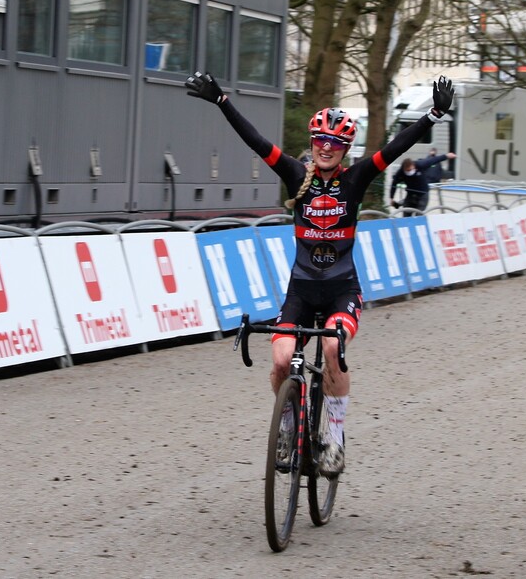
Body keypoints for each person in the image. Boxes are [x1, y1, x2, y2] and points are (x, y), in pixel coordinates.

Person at [186, 70, 453, 476]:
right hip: (301, 290)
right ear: (313, 143)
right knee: (278, 362)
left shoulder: (356, 178)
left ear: (345, 149)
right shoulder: (296, 174)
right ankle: (288, 425)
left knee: (331, 351)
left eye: (336, 143)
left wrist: (433, 115)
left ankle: (335, 436)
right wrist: (223, 102)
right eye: (321, 141)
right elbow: (257, 142)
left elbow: (397, 147)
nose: (326, 148)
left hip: (342, 289)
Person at [390, 149, 456, 213]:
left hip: (423, 194)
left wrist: (446, 156)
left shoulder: (420, 164)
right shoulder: (400, 172)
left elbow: (433, 160)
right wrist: (391, 197)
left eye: (410, 170)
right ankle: (401, 204)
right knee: (406, 213)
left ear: (413, 166)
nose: (409, 172)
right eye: (407, 171)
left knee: (418, 214)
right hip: (410, 195)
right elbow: (394, 183)